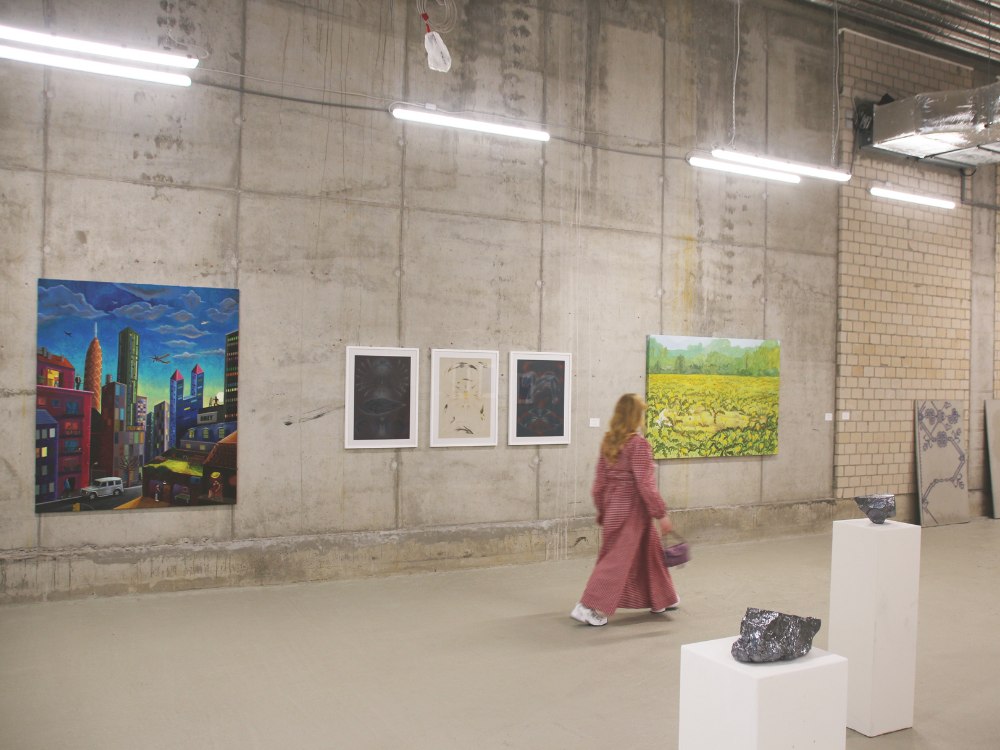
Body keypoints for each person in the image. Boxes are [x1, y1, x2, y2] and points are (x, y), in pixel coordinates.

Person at [571, 393, 679, 626]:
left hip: (613, 507)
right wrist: (661, 514)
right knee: (616, 561)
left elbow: (599, 484)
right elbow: (645, 485)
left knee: (650, 552)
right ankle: (588, 606)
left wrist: (604, 510)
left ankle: (662, 598)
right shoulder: (639, 445)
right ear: (636, 416)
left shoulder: (609, 442)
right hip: (633, 511)